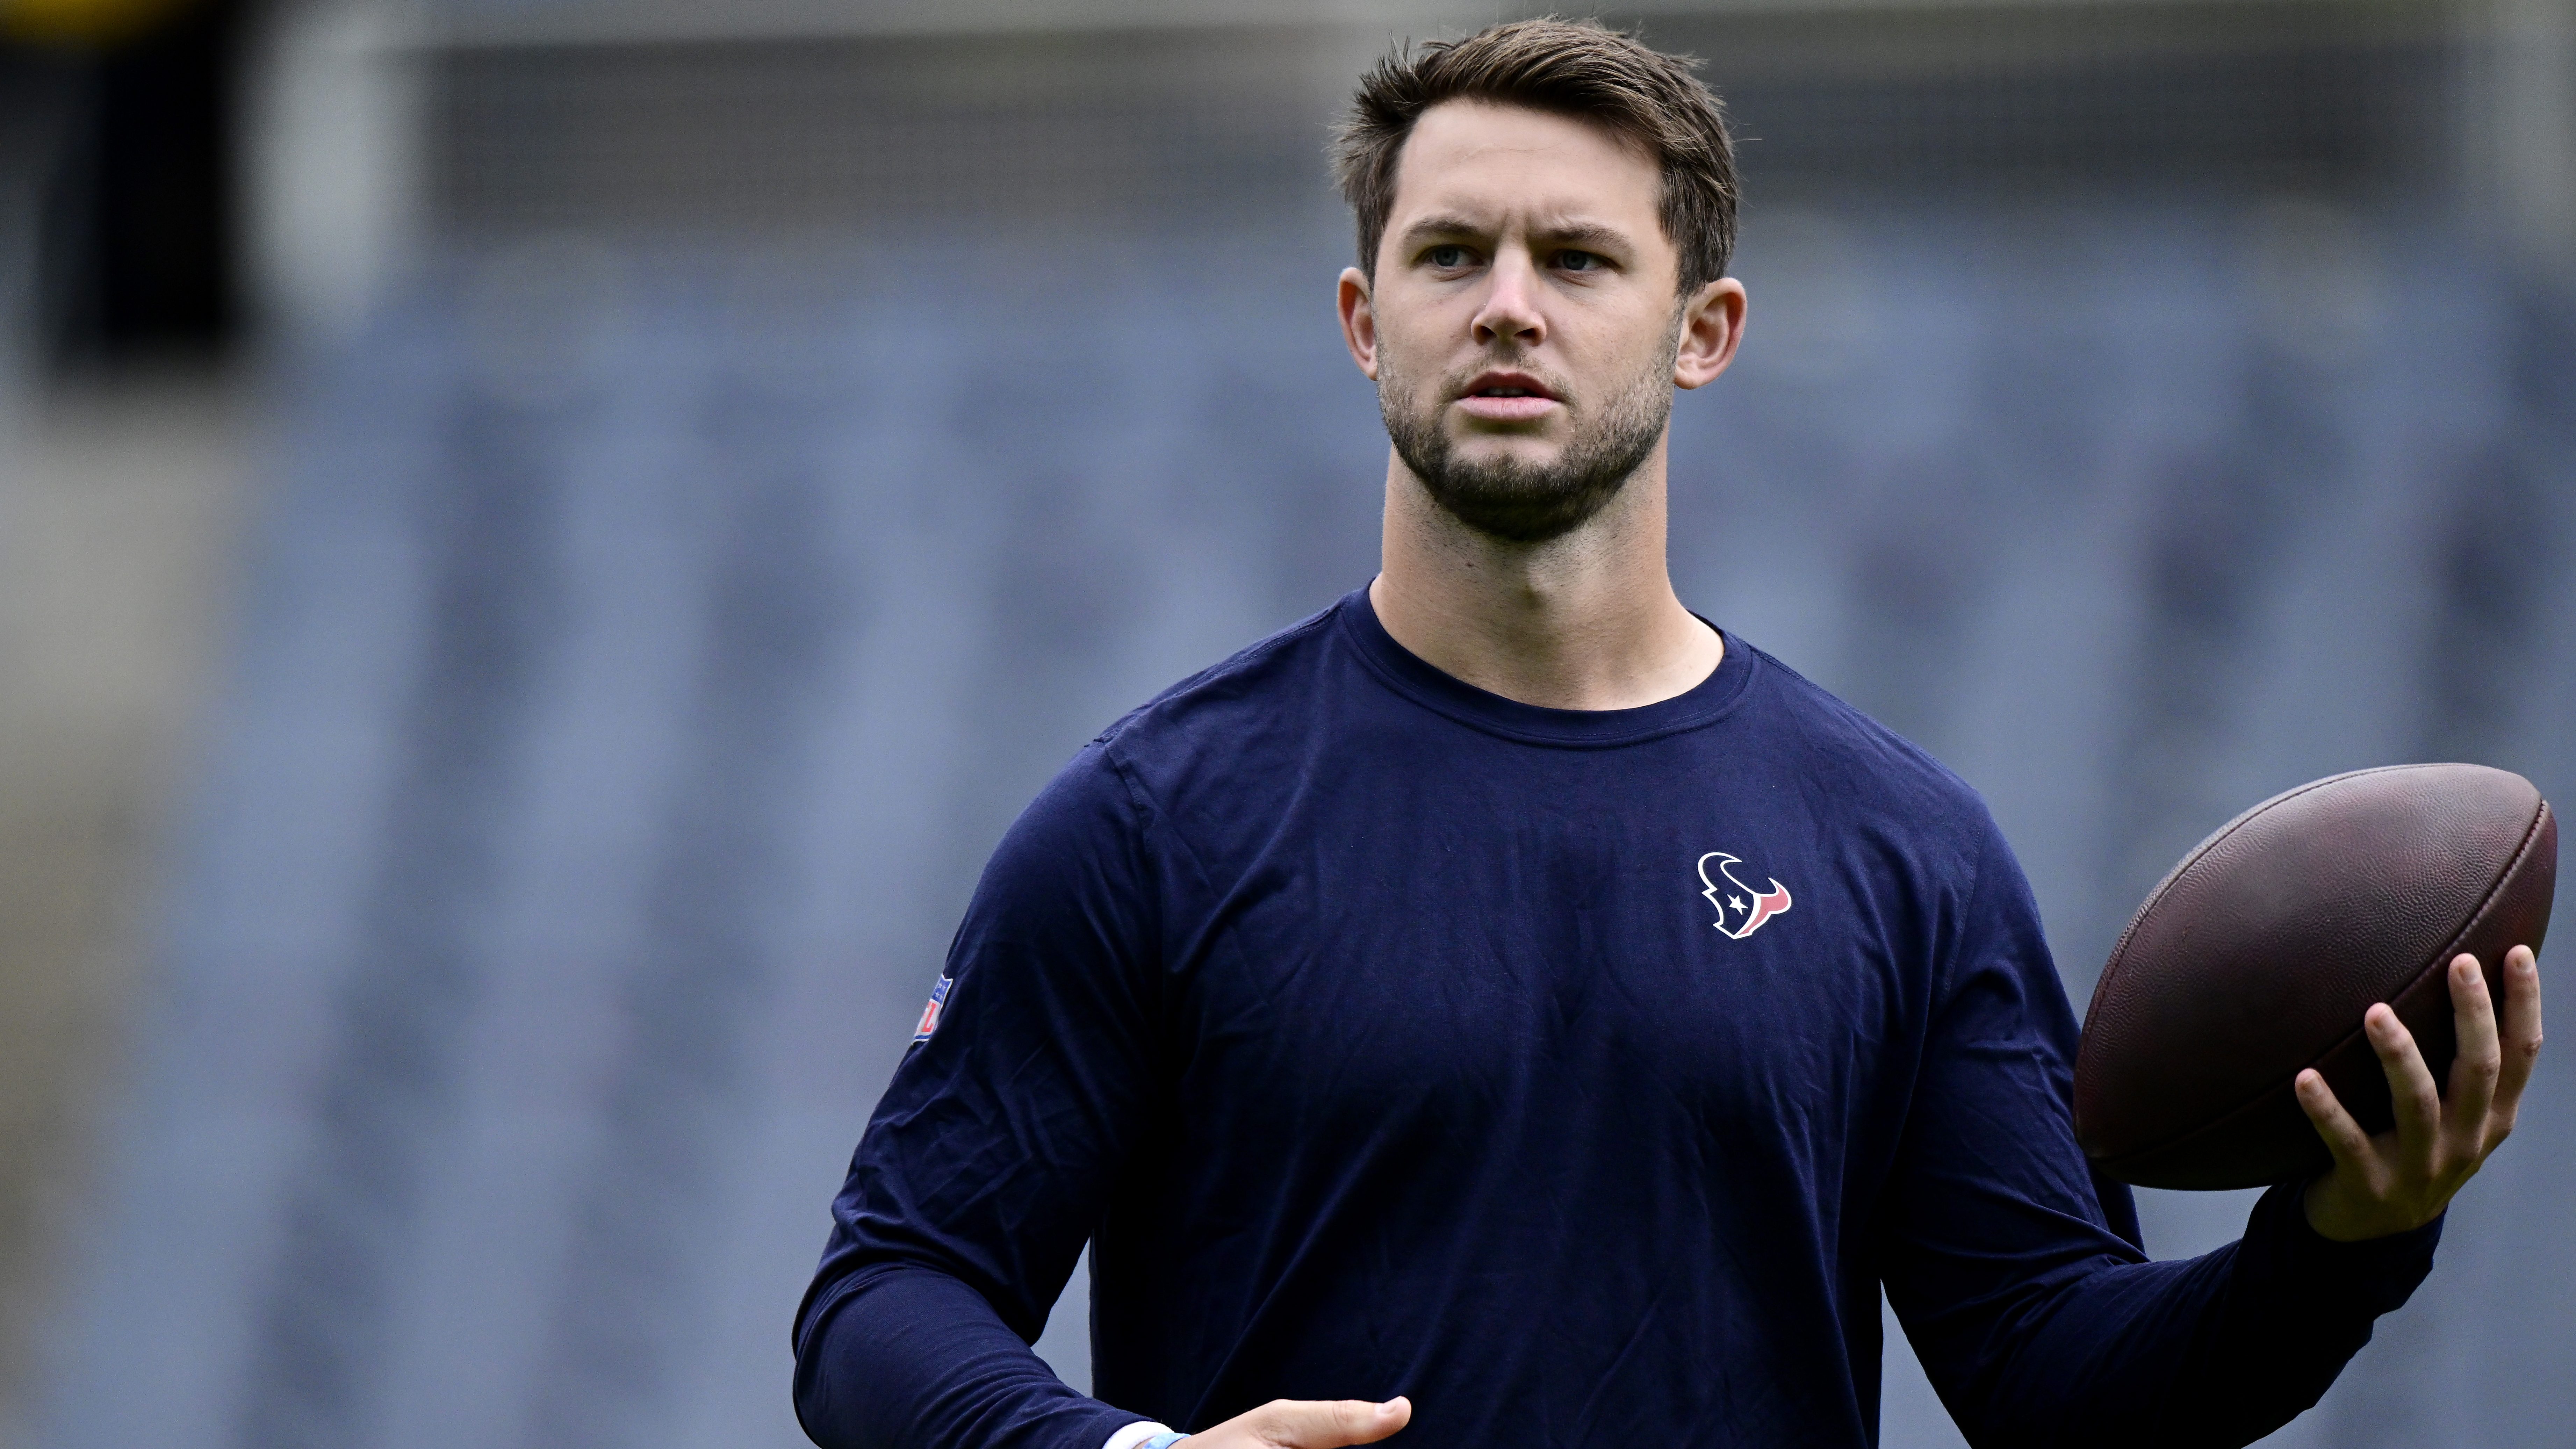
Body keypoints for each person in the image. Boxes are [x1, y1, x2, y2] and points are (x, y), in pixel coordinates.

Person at [791, 19, 2544, 1449]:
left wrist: (2338, 1247)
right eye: (1448, 254)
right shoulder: (1156, 821)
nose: (1505, 304)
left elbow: (2058, 1377)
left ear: (1699, 332)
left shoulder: (1894, 848)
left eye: (1576, 258)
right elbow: (883, 1298)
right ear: (1362, 320)